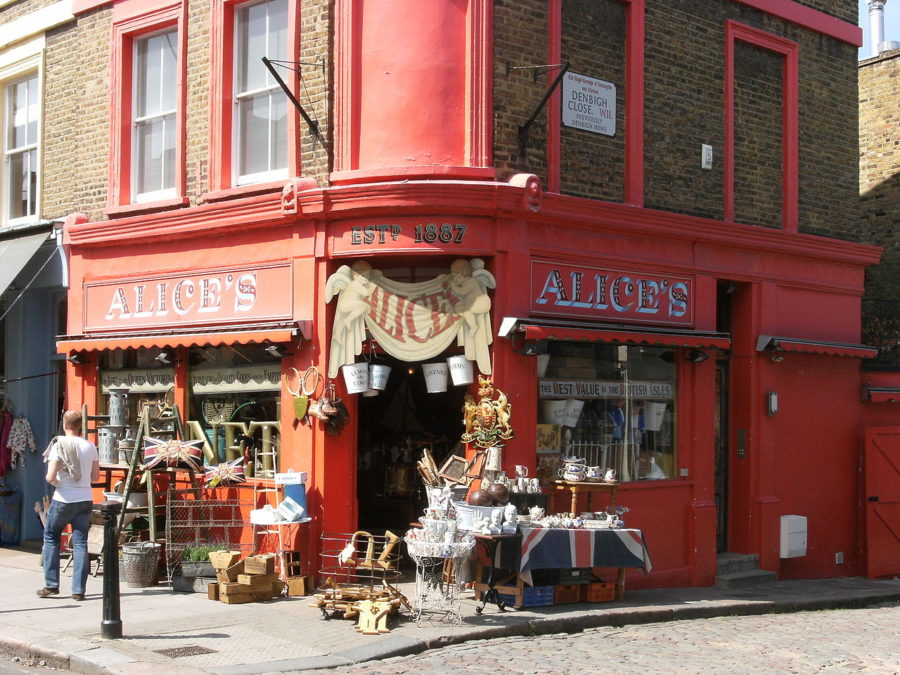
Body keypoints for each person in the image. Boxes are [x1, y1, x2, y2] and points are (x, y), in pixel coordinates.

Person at [38, 410, 99, 601]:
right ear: (80, 425)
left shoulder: (59, 445)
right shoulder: (90, 446)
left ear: (65, 425)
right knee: (80, 543)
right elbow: (95, 477)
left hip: (64, 499)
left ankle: (51, 585)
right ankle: (78, 590)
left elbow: (50, 477)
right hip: (85, 498)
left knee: (51, 536)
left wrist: (59, 483)